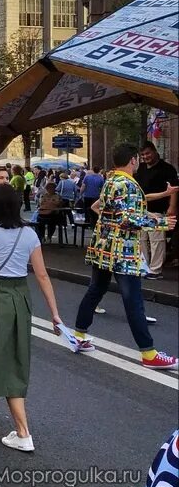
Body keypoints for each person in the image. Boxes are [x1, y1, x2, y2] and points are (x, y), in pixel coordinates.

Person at [0, 184, 64, 453]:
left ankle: (23, 432)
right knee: (11, 354)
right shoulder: (29, 234)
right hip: (21, 297)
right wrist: (55, 314)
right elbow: (42, 276)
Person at [72, 143, 177, 369]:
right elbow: (128, 218)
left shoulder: (111, 180)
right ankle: (149, 354)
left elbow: (110, 209)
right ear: (133, 160)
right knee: (133, 300)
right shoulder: (127, 183)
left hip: (103, 247)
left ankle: (79, 335)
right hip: (122, 251)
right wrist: (160, 222)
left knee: (96, 290)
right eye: (137, 159)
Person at [135, 142, 179, 281]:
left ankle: (155, 269)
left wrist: (172, 207)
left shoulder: (167, 169)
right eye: (142, 155)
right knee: (141, 239)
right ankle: (144, 267)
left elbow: (174, 189)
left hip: (158, 209)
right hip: (141, 209)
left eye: (147, 153)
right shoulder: (140, 168)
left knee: (157, 240)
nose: (145, 157)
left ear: (154, 151)